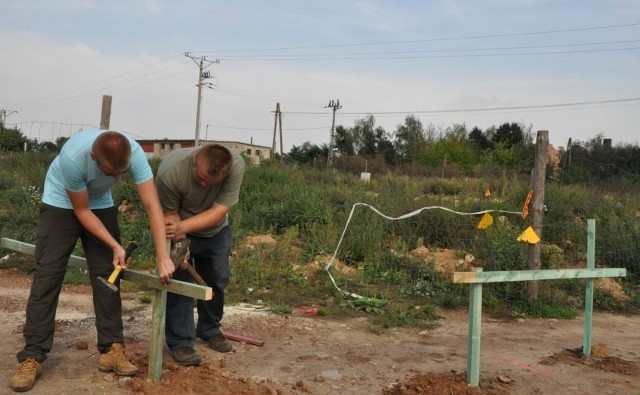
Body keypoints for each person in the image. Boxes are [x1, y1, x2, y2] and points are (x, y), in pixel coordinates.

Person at [10, 130, 175, 392]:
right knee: (48, 275)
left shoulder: (134, 153)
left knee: (108, 275)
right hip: (61, 204)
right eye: (110, 174)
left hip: (99, 204)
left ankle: (112, 349)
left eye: (120, 173)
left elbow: (152, 205)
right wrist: (114, 244)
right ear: (93, 156)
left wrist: (163, 256)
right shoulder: (72, 160)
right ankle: (33, 354)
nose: (116, 178)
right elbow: (82, 211)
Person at [156, 143, 245, 366]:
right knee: (180, 284)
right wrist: (181, 243)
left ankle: (209, 328)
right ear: (194, 160)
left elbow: (219, 210)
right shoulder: (171, 171)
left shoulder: (235, 166)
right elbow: (170, 214)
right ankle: (181, 342)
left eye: (211, 183)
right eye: (201, 178)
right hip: (178, 226)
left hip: (216, 231)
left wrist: (182, 229)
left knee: (216, 279)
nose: (204, 184)